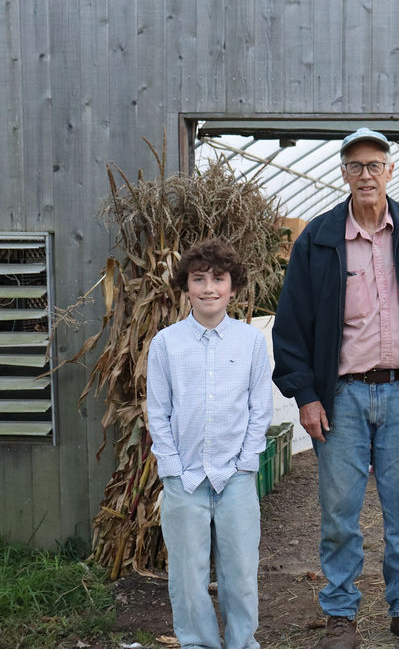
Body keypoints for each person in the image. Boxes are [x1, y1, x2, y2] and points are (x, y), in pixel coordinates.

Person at [272, 128, 399, 649]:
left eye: (374, 165)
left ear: (391, 170)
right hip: (340, 394)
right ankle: (341, 613)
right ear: (342, 173)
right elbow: (291, 324)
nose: (365, 175)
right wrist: (305, 394)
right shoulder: (319, 239)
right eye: (355, 166)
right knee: (340, 511)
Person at [146, 238, 273, 649]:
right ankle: (198, 642)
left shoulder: (250, 342)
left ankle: (242, 642)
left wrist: (247, 461)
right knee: (187, 573)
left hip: (234, 476)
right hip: (184, 478)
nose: (208, 288)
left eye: (218, 279)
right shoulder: (167, 344)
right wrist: (172, 469)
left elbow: (259, 408)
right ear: (186, 287)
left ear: (233, 288)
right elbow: (158, 411)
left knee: (240, 570)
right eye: (198, 279)